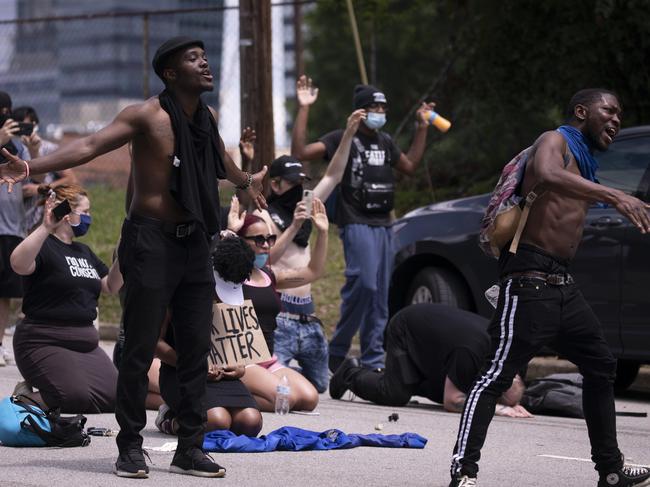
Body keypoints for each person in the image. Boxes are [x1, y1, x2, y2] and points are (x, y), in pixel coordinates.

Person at [0, 36, 266, 479]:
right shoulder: (145, 116)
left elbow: (220, 161)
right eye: (193, 59)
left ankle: (190, 448)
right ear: (170, 72)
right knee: (139, 348)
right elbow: (89, 146)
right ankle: (130, 446)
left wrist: (244, 182)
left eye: (204, 57)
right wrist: (30, 168)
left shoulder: (207, 117)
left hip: (195, 240)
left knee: (197, 347)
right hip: (151, 241)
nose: (205, 63)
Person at [447, 89, 650, 487]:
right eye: (608, 111)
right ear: (581, 112)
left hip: (561, 285)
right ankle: (463, 472)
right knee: (496, 377)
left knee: (601, 365)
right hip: (528, 279)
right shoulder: (553, 141)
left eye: (619, 114)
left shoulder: (587, 162)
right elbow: (550, 174)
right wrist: (616, 195)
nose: (616, 120)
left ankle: (610, 471)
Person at [291, 75, 436, 372]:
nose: (379, 113)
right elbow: (301, 152)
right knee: (365, 284)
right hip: (356, 220)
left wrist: (422, 128)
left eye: (383, 109)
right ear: (359, 110)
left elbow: (409, 166)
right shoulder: (342, 137)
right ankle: (339, 348)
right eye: (373, 108)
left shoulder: (385, 141)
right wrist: (304, 108)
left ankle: (373, 358)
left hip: (384, 223)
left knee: (380, 292)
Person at [255, 107, 365, 392]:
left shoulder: (306, 207)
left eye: (301, 183)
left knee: (319, 385)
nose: (297, 189)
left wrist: (349, 133)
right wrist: (293, 225)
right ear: (276, 184)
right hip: (280, 314)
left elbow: (334, 174)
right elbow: (266, 261)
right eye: (291, 183)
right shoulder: (265, 217)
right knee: (278, 387)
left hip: (308, 316)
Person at [9, 184, 122, 413]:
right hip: (43, 340)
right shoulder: (43, 245)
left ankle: (58, 393)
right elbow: (18, 263)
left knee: (117, 397)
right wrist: (45, 227)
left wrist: (124, 253)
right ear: (67, 214)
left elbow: (111, 285)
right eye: (85, 211)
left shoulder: (84, 252)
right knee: (72, 396)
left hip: (85, 343)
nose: (89, 217)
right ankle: (24, 398)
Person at [329, 303, 531, 418]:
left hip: (438, 340)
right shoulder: (470, 353)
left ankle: (398, 376)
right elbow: (452, 402)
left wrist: (515, 403)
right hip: (407, 326)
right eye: (495, 397)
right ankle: (350, 373)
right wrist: (499, 409)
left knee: (448, 389)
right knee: (394, 394)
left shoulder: (514, 358)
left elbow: (510, 388)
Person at [155, 236, 262, 437]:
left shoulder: (237, 279)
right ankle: (170, 419)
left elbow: (240, 352)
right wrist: (193, 364)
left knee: (250, 422)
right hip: (181, 372)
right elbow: (155, 343)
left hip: (221, 378)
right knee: (216, 421)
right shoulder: (178, 289)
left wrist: (239, 368)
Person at [230, 203, 328, 412]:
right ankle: (221, 393)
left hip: (268, 359)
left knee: (309, 399)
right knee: (284, 400)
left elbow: (313, 271)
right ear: (240, 241)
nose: (266, 245)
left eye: (270, 238)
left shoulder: (269, 275)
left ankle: (249, 390)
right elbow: (213, 262)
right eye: (259, 239)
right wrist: (230, 231)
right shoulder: (228, 277)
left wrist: (323, 233)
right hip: (242, 361)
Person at [0, 91, 31, 367]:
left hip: (11, 227)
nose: (6, 116)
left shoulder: (18, 147)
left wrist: (29, 145)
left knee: (4, 293)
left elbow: (35, 177)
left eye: (9, 111)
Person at [13, 106, 77, 232]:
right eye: (19, 127)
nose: (23, 131)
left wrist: (40, 189)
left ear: (35, 125)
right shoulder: (12, 150)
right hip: (16, 211)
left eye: (26, 127)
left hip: (40, 211)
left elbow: (71, 179)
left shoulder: (48, 149)